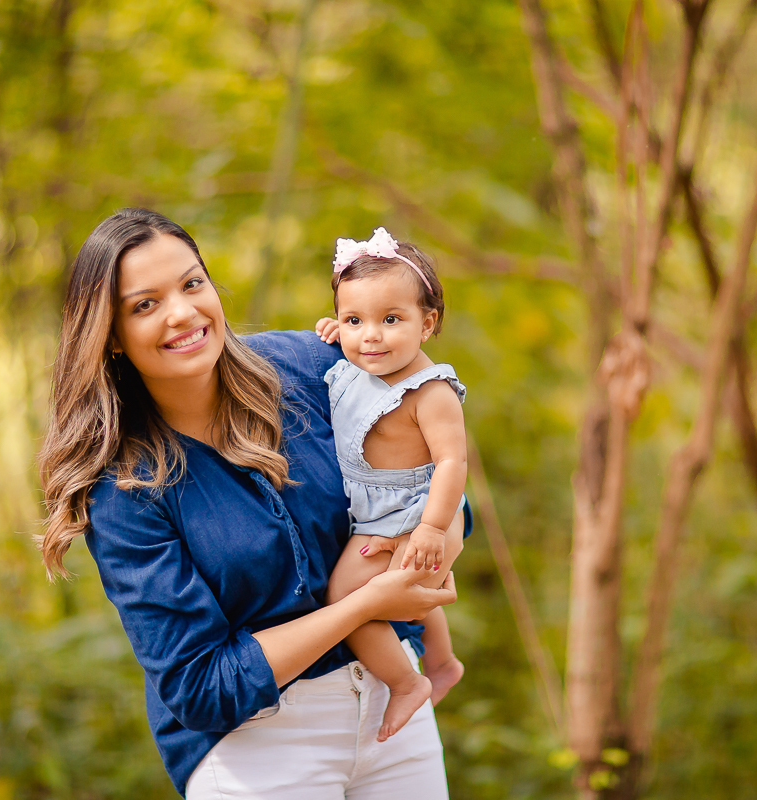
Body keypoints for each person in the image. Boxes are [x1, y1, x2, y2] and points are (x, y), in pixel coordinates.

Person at [36, 208, 460, 799]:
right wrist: (365, 602)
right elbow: (202, 685)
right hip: (259, 749)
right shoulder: (126, 488)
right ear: (109, 333)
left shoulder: (312, 367)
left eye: (191, 283)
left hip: (393, 707)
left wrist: (434, 536)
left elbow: (428, 466)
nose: (182, 312)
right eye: (145, 304)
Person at [313, 228, 467, 743]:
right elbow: (359, 336)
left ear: (428, 324)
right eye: (355, 320)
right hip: (379, 509)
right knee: (414, 589)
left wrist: (431, 528)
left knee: (345, 597)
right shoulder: (361, 361)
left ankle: (407, 683)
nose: (370, 336)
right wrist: (342, 331)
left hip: (416, 509)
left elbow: (451, 461)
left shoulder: (430, 391)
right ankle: (442, 662)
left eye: (390, 320)